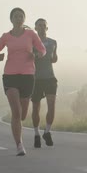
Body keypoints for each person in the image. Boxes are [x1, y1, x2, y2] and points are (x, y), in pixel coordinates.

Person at [0, 8, 46, 156]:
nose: (18, 18)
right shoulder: (6, 36)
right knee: (16, 112)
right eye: (16, 16)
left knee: (22, 115)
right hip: (10, 76)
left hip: (28, 76)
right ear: (11, 19)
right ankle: (19, 145)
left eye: (21, 16)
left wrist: (37, 54)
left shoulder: (31, 34)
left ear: (24, 19)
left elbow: (42, 49)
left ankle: (19, 135)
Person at [31, 18, 58, 148]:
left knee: (51, 104)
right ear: (35, 28)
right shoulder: (31, 42)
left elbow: (54, 58)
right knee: (36, 108)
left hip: (50, 77)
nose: (42, 27)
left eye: (44, 26)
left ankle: (47, 131)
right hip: (35, 79)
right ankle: (36, 134)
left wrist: (54, 58)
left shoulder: (53, 42)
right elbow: (27, 58)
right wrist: (34, 55)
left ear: (47, 28)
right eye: (39, 25)